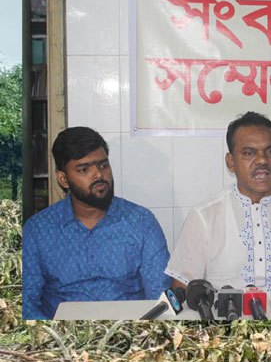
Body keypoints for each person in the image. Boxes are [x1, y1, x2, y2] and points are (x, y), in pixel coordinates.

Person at [166, 111, 271, 295]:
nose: (263, 160)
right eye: (249, 153)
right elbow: (182, 292)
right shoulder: (204, 217)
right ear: (231, 162)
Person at [21, 127, 170, 319]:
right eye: (84, 169)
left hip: (131, 334)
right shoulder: (37, 230)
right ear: (63, 179)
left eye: (103, 166)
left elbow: (159, 296)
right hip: (63, 339)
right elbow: (27, 304)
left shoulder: (141, 222)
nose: (98, 175)